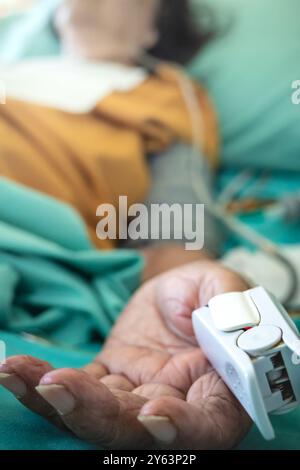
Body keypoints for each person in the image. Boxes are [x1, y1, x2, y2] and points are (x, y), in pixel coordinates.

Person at [0, 0, 253, 449]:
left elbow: (176, 221)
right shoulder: (16, 70)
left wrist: (189, 309)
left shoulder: (169, 92)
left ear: (150, 34)